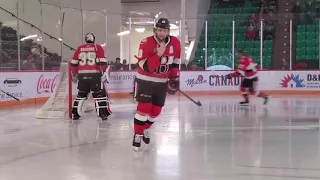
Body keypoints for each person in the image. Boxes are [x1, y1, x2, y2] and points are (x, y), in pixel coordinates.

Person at [132, 18, 181, 150]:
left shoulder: (175, 43)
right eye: (160, 30)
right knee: (144, 108)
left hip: (161, 83)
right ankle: (137, 134)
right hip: (145, 81)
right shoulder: (146, 42)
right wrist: (158, 54)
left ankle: (145, 129)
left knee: (155, 111)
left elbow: (175, 63)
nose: (162, 33)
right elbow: (146, 67)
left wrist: (174, 78)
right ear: (155, 30)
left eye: (165, 30)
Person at [70, 32, 112, 120]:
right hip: (95, 75)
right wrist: (104, 72)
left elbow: (73, 63)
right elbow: (102, 62)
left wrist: (74, 74)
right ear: (94, 39)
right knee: (99, 95)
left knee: (81, 95)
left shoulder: (79, 48)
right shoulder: (97, 47)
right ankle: (103, 114)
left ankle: (75, 114)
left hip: (82, 76)